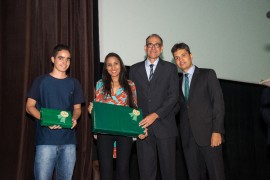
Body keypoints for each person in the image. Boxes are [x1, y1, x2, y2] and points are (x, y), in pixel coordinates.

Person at [26, 44, 85, 180]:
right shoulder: (40, 81)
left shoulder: (74, 83)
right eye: (61, 58)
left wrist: (74, 118)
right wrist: (46, 119)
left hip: (69, 142)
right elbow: (29, 107)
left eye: (68, 59)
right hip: (46, 141)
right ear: (52, 59)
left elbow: (77, 109)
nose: (65, 62)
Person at [88, 52, 147, 180]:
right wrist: (92, 110)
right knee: (106, 170)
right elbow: (97, 107)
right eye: (109, 65)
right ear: (106, 68)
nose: (113, 67)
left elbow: (134, 109)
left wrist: (140, 129)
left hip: (124, 132)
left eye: (116, 63)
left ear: (121, 65)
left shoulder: (130, 85)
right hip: (105, 132)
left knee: (123, 170)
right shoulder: (100, 84)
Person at [171, 42, 226, 180]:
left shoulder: (208, 74)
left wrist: (217, 130)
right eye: (177, 58)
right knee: (194, 176)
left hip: (209, 135)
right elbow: (177, 108)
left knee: (216, 175)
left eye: (183, 55)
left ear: (191, 55)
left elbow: (218, 103)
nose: (180, 59)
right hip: (188, 138)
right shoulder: (177, 83)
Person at [129, 34, 180, 180]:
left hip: (166, 127)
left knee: (168, 173)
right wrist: (137, 125)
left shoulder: (170, 68)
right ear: (145, 48)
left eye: (157, 44)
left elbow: (173, 96)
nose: (153, 47)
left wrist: (156, 115)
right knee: (146, 173)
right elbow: (132, 99)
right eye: (150, 44)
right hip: (143, 128)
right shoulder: (134, 69)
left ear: (162, 48)